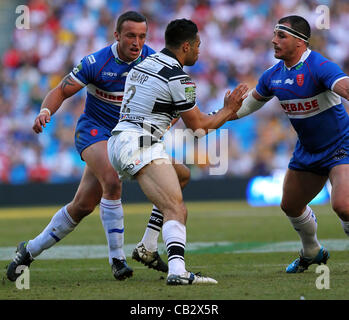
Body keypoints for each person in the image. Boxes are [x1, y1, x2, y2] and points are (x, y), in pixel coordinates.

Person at [6, 11, 189, 282]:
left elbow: (173, 102)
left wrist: (163, 125)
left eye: (141, 36)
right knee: (112, 181)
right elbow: (61, 91)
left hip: (129, 137)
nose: (136, 42)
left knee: (82, 205)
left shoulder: (154, 62)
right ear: (116, 35)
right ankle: (118, 260)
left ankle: (29, 250)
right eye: (130, 36)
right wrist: (46, 111)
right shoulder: (96, 62)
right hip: (95, 131)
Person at [107, 18, 248, 285]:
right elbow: (197, 128)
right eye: (197, 45)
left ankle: (147, 247)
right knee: (176, 208)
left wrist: (218, 115)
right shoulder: (178, 77)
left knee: (181, 175)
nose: (199, 51)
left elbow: (172, 114)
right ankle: (177, 271)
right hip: (139, 144)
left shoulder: (145, 63)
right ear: (186, 46)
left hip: (121, 140)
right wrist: (229, 110)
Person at [233, 15, 349, 273]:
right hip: (308, 151)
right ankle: (312, 251)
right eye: (274, 35)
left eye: (281, 36)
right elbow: (247, 106)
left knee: (344, 206)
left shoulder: (319, 66)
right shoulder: (272, 76)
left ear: (299, 42)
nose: (274, 40)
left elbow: (345, 87)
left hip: (341, 146)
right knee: (290, 205)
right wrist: (214, 119)